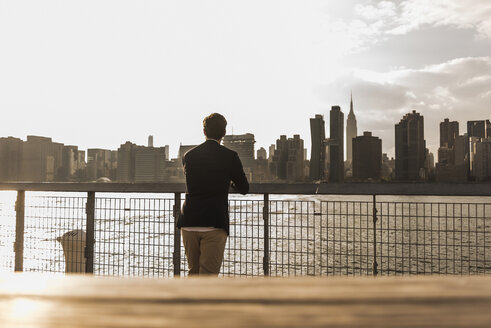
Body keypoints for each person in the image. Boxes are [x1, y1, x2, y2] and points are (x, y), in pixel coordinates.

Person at [177, 113, 249, 276]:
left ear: (204, 131)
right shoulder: (230, 156)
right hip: (214, 221)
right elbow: (244, 188)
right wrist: (229, 182)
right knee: (208, 277)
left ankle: (187, 301)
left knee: (193, 273)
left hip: (189, 221)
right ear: (224, 133)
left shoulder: (189, 155)